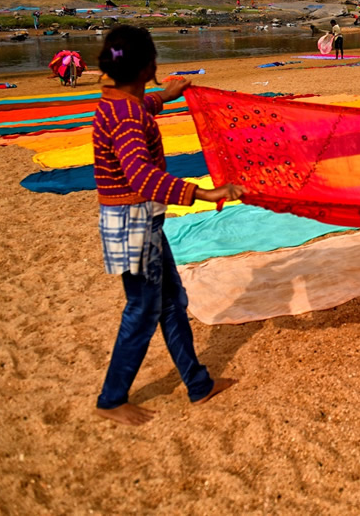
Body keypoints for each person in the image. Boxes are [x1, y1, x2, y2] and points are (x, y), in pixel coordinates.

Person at [92, 25, 243, 426]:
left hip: (140, 220)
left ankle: (198, 383)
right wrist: (204, 193)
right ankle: (112, 398)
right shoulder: (125, 114)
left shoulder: (114, 102)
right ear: (148, 67)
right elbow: (140, 175)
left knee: (172, 302)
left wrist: (165, 95)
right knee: (142, 309)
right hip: (134, 222)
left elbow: (138, 109)